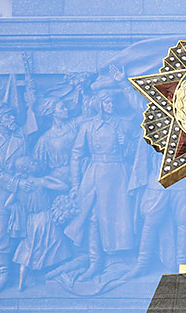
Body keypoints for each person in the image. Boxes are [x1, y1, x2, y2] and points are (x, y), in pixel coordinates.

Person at [65, 90, 135, 281]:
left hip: (117, 174)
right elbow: (76, 155)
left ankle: (115, 258)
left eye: (112, 101)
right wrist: (74, 184)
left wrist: (126, 143)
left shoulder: (124, 124)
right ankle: (95, 262)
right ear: (99, 105)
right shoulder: (88, 127)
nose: (110, 105)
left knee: (116, 217)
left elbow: (136, 154)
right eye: (106, 102)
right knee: (92, 216)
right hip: (94, 174)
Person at [0, 102, 33, 294]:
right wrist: (16, 183)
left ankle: (26, 272)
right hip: (0, 193)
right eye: (9, 116)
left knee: (25, 231)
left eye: (12, 116)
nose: (13, 119)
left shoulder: (20, 136)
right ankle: (3, 274)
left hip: (23, 192)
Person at [11, 156, 72, 291]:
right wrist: (50, 178)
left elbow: (8, 204)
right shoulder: (42, 181)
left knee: (28, 250)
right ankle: (59, 275)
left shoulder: (20, 187)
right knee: (58, 245)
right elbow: (64, 186)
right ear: (27, 169)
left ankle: (21, 284)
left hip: (30, 221)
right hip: (46, 218)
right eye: (32, 162)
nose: (36, 163)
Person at [34, 96, 78, 191]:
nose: (66, 109)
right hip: (59, 179)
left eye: (65, 106)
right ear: (53, 113)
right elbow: (39, 167)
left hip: (80, 172)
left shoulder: (74, 125)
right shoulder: (45, 139)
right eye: (62, 108)